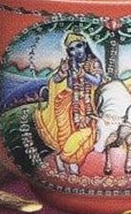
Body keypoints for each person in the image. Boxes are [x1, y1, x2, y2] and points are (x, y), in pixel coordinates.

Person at [34, 30, 103, 174]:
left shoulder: (94, 62)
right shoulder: (70, 64)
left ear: (85, 45)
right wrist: (63, 73)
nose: (76, 51)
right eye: (71, 49)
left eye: (79, 46)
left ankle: (65, 158)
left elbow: (98, 81)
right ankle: (71, 161)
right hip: (68, 101)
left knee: (88, 133)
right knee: (68, 132)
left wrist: (84, 75)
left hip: (89, 102)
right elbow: (60, 81)